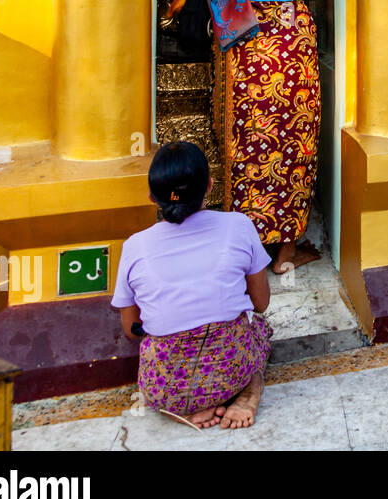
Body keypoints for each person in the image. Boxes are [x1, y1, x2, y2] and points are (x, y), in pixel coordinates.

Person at [171, 0, 320, 274]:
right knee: (296, 136)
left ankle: (244, 249)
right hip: (293, 43)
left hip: (245, 47)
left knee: (246, 141)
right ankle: (286, 253)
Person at [112, 141, 272, 430]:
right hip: (231, 373)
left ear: (151, 196)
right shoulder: (239, 225)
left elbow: (131, 329)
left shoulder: (134, 247)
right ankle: (249, 390)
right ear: (210, 186)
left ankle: (191, 406)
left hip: (165, 391)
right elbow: (261, 304)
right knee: (259, 327)